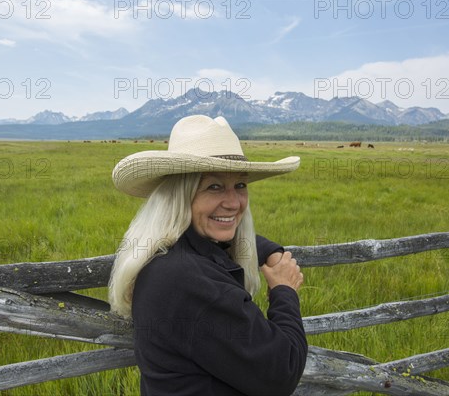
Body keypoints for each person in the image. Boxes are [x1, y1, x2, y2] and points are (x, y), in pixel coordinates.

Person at [109, 115, 307, 396]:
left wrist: (268, 251)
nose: (234, 202)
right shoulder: (191, 282)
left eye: (240, 185)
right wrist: (285, 292)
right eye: (214, 186)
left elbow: (223, 237)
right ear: (181, 195)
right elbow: (282, 370)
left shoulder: (168, 253)